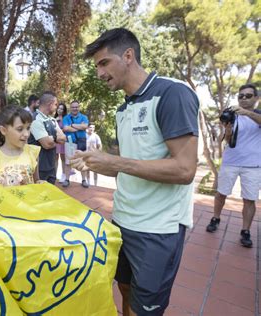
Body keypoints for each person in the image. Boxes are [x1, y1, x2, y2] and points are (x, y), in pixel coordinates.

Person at [71, 28, 199, 316]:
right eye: (96, 67)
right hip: (122, 220)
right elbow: (130, 166)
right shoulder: (122, 109)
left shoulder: (172, 93)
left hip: (158, 229)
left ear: (128, 56)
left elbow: (185, 169)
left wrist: (114, 163)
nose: (99, 73)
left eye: (104, 63)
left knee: (146, 308)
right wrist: (95, 162)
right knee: (125, 289)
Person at [206, 84, 261, 247]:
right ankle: (215, 218)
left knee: (249, 199)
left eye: (248, 96)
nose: (243, 98)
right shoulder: (233, 116)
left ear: (256, 98)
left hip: (253, 165)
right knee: (221, 194)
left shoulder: (257, 115)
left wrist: (247, 113)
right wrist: (228, 131)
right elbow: (228, 140)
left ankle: (245, 230)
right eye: (241, 96)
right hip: (231, 162)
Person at [0, 105, 40, 186]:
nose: (26, 134)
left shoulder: (32, 152)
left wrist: (41, 183)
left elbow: (36, 182)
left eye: (28, 128)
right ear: (3, 130)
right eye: (20, 129)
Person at [29, 91, 66, 184]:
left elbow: (63, 138)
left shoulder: (52, 119)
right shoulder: (36, 119)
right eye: (55, 104)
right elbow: (46, 144)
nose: (56, 107)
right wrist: (56, 139)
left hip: (51, 166)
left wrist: (51, 139)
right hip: (38, 169)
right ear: (50, 104)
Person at [62, 100, 89, 188]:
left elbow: (85, 126)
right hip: (70, 142)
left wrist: (72, 125)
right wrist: (79, 127)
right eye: (73, 107)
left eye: (76, 107)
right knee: (68, 162)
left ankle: (84, 180)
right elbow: (65, 128)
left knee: (82, 161)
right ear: (70, 108)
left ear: (79, 107)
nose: (75, 109)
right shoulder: (66, 117)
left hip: (81, 142)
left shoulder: (84, 117)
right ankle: (67, 179)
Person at [54, 103, 67, 183]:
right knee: (55, 158)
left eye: (62, 109)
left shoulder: (66, 119)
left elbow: (66, 129)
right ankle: (54, 175)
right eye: (59, 108)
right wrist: (55, 120)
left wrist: (60, 129)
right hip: (55, 141)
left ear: (64, 110)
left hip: (62, 141)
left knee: (63, 158)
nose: (60, 110)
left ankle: (63, 175)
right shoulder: (53, 118)